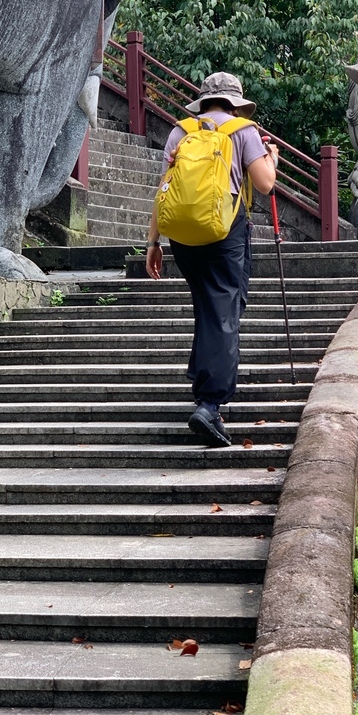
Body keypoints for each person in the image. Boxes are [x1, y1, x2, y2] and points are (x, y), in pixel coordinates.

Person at [145, 72, 279, 447]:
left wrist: (153, 243)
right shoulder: (243, 130)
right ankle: (210, 404)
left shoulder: (181, 131)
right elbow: (266, 183)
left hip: (184, 235)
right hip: (224, 231)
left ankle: (203, 381)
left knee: (208, 308)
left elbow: (164, 190)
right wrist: (272, 158)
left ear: (203, 101)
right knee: (224, 311)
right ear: (234, 102)